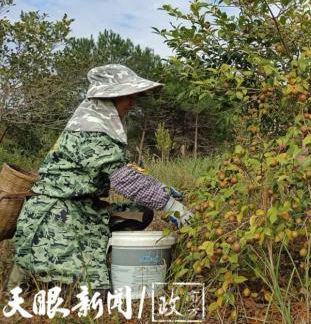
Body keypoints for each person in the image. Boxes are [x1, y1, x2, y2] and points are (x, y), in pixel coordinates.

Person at [6, 64, 192, 293]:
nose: (132, 103)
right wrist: (171, 206)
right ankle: (39, 281)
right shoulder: (91, 131)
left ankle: (102, 251)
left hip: (85, 207)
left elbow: (121, 168)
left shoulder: (95, 125)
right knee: (93, 293)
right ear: (110, 98)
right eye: (128, 97)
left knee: (141, 211)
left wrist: (160, 188)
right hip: (58, 214)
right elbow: (124, 179)